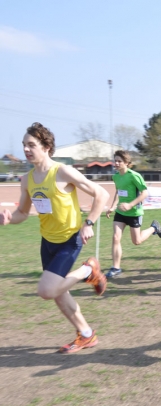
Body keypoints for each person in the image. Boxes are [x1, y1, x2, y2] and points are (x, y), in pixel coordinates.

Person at [0, 122, 109, 353]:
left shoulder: (62, 172)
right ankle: (86, 334)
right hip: (47, 242)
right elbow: (22, 212)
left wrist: (89, 222)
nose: (27, 150)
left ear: (46, 146)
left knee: (47, 291)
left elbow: (101, 193)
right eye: (24, 146)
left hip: (70, 239)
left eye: (32, 145)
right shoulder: (27, 179)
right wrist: (10, 219)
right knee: (60, 293)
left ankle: (88, 271)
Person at [105, 150, 161, 278]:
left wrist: (130, 205)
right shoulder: (115, 176)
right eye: (115, 160)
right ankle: (116, 268)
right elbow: (118, 192)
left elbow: (145, 193)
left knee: (136, 241)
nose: (116, 163)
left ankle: (154, 227)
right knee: (116, 237)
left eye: (119, 161)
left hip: (134, 212)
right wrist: (112, 207)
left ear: (127, 163)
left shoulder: (134, 176)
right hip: (120, 212)